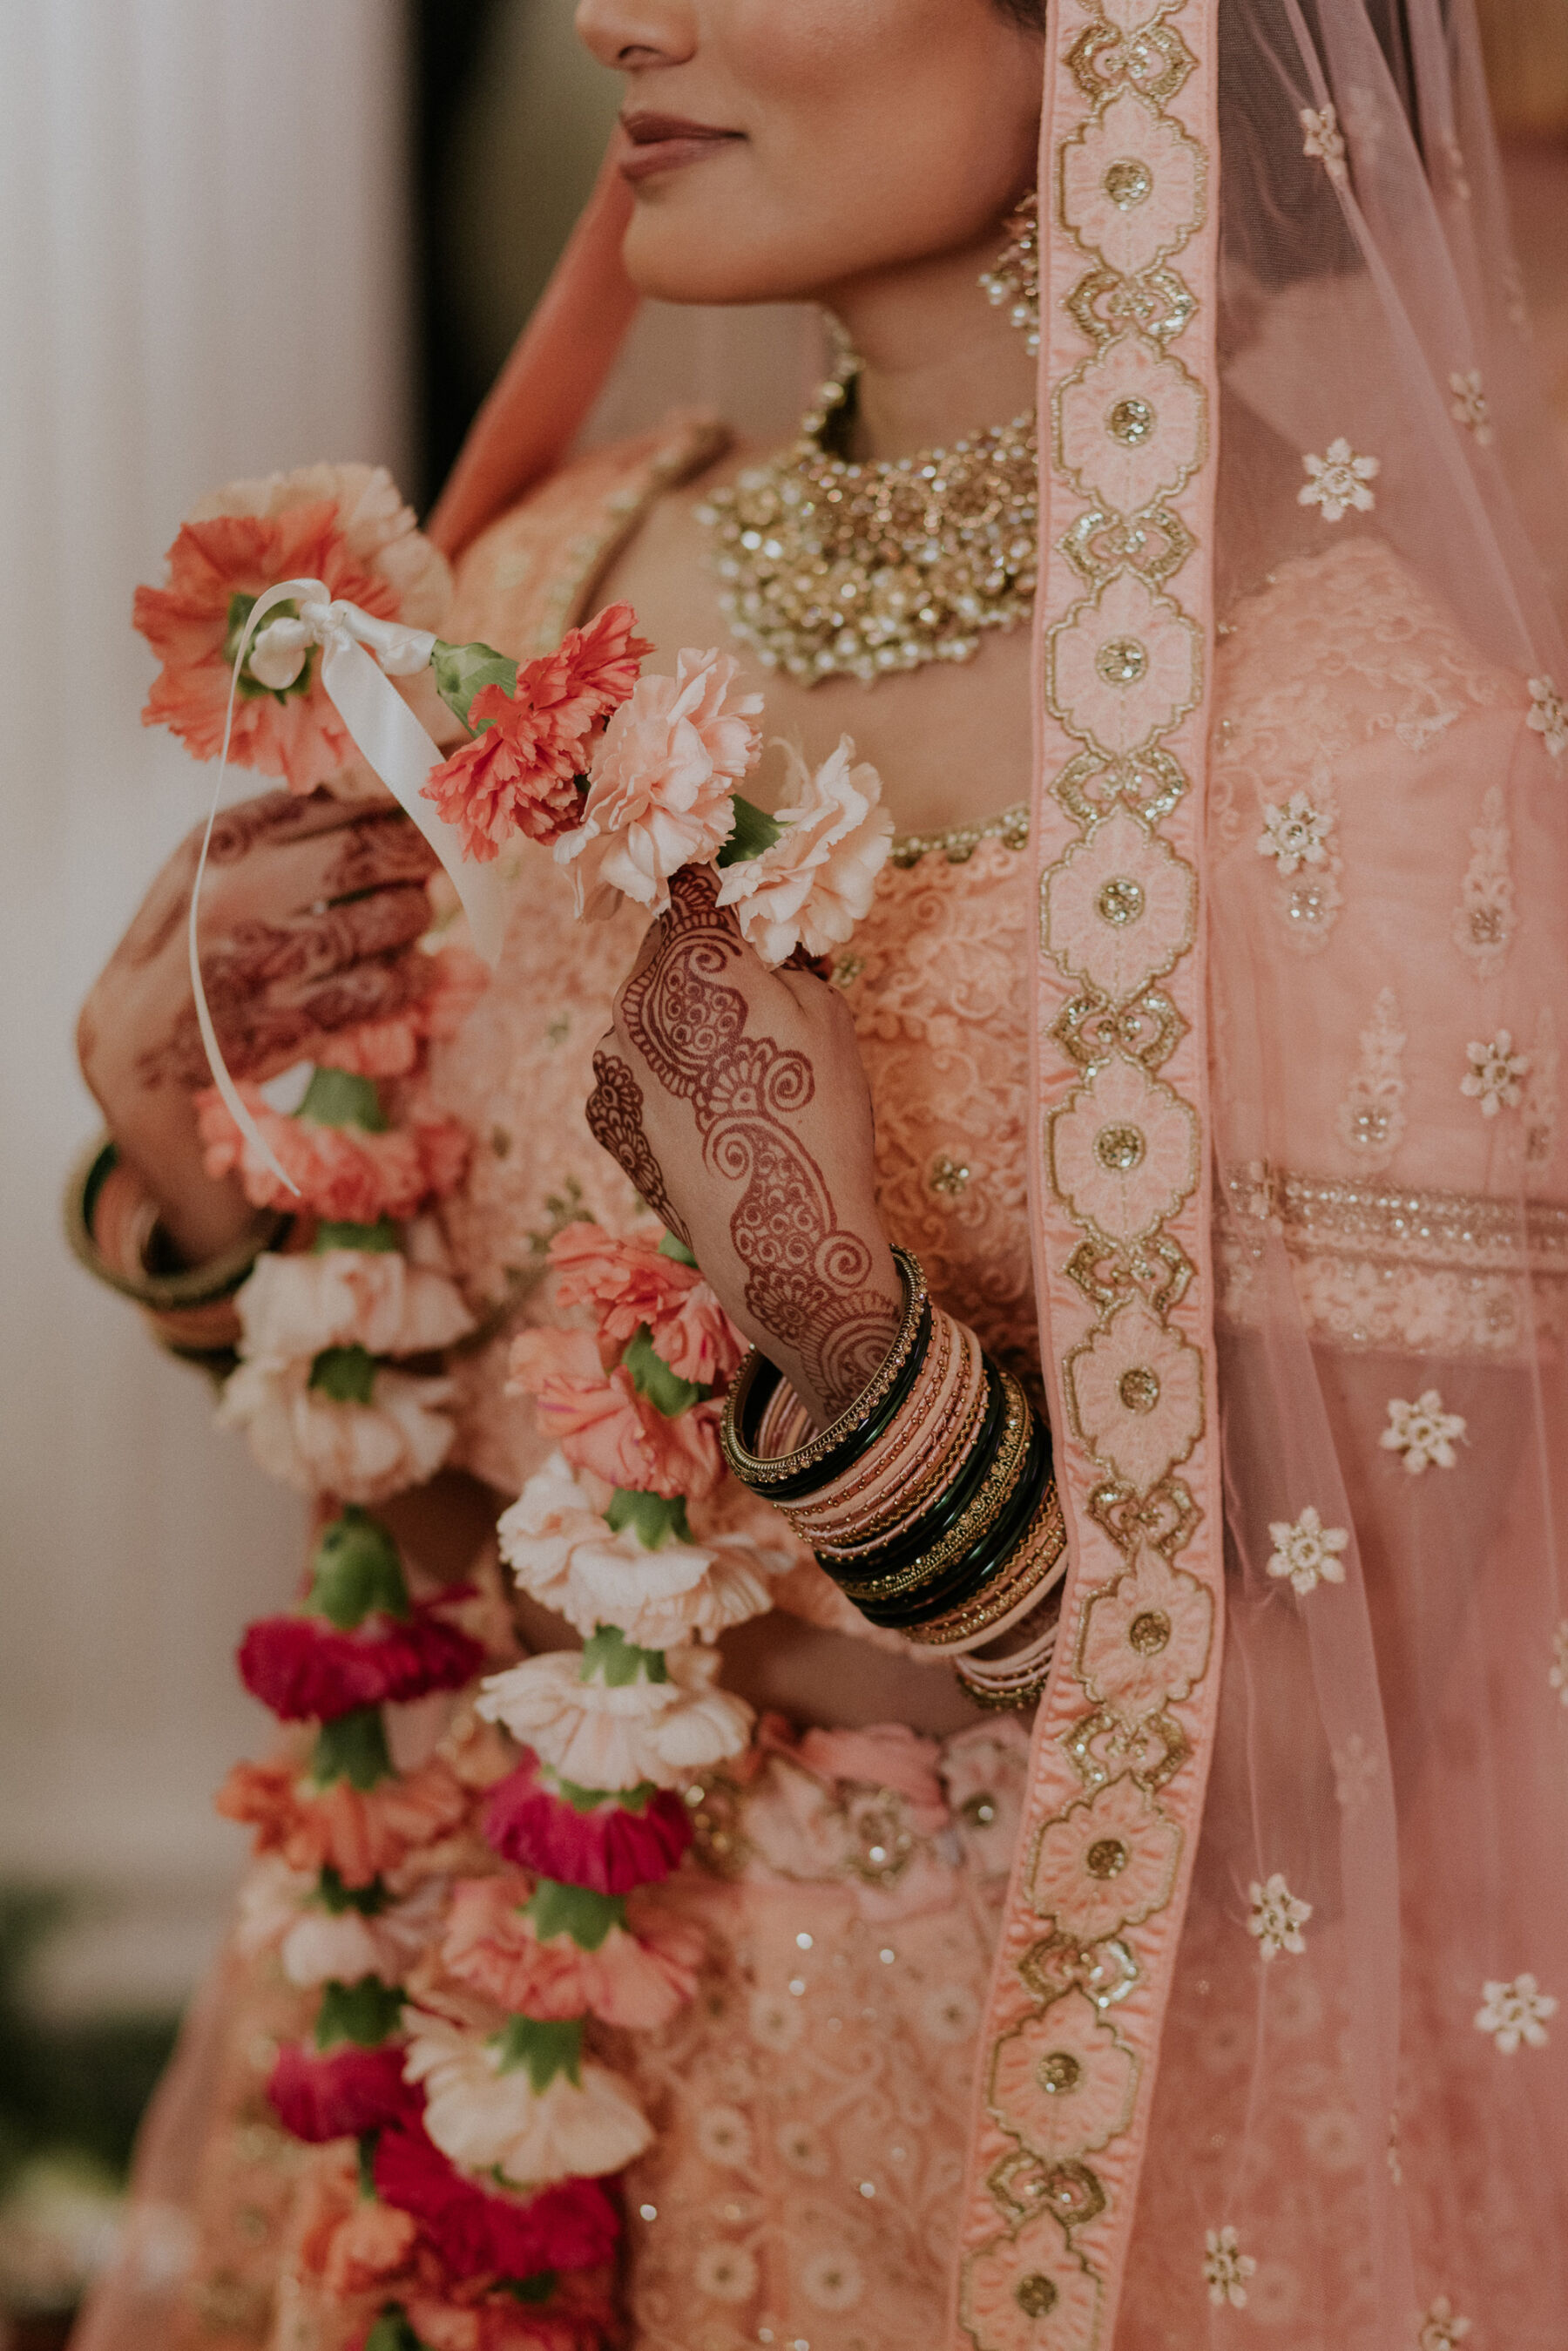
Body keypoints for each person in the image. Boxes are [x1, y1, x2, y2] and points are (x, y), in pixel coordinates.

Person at [70, 0, 1568, 2345]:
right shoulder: (557, 575)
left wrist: (852, 1347)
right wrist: (220, 1195)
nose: (614, 17)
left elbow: (1337, 1743)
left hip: (1028, 2135)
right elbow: (455, 1512)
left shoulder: (1348, 741)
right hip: (465, 2032)